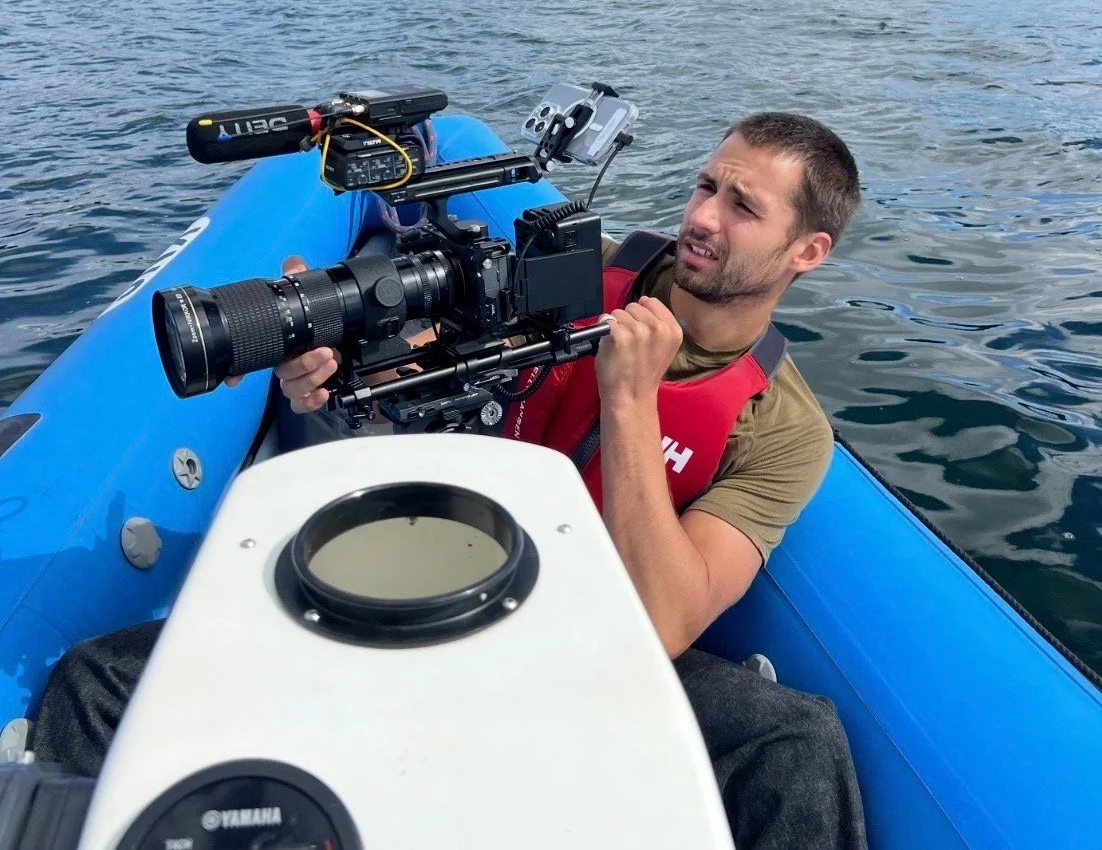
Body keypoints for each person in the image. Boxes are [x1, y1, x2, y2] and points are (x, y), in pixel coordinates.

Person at [32, 112, 866, 850]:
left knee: (796, 739)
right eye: (706, 185)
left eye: (743, 206)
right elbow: (435, 357)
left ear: (809, 251)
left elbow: (659, 622)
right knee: (98, 680)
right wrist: (331, 354)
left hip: (595, 642)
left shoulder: (782, 427)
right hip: (448, 561)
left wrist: (629, 397)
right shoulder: (579, 273)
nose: (703, 217)